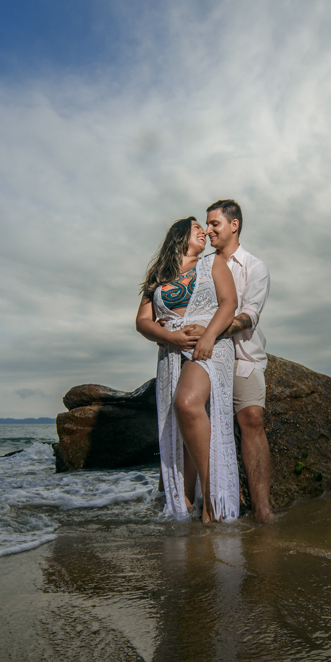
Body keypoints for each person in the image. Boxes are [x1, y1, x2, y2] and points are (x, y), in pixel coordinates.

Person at [135, 217, 240, 522]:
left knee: (186, 402)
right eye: (197, 228)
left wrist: (207, 338)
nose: (204, 232)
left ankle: (212, 497)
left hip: (210, 347)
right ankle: (185, 504)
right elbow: (142, 321)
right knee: (180, 428)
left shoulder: (213, 263)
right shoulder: (158, 276)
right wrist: (170, 337)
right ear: (180, 236)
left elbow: (228, 304)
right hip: (172, 354)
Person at [201, 199, 275, 524]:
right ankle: (205, 506)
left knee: (253, 418)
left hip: (243, 356)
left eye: (214, 223)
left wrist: (212, 332)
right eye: (206, 224)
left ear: (234, 225)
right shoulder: (202, 266)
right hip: (206, 355)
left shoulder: (255, 267)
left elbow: (249, 315)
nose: (208, 230)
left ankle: (262, 509)